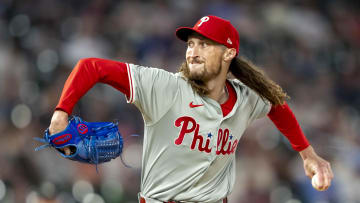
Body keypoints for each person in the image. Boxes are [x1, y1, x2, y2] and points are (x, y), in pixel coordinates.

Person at [48, 15, 333, 203]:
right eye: (191, 43)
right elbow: (91, 67)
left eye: (205, 44)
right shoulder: (165, 87)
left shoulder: (246, 97)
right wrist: (62, 113)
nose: (192, 51)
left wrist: (307, 153)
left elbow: (276, 106)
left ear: (229, 53)